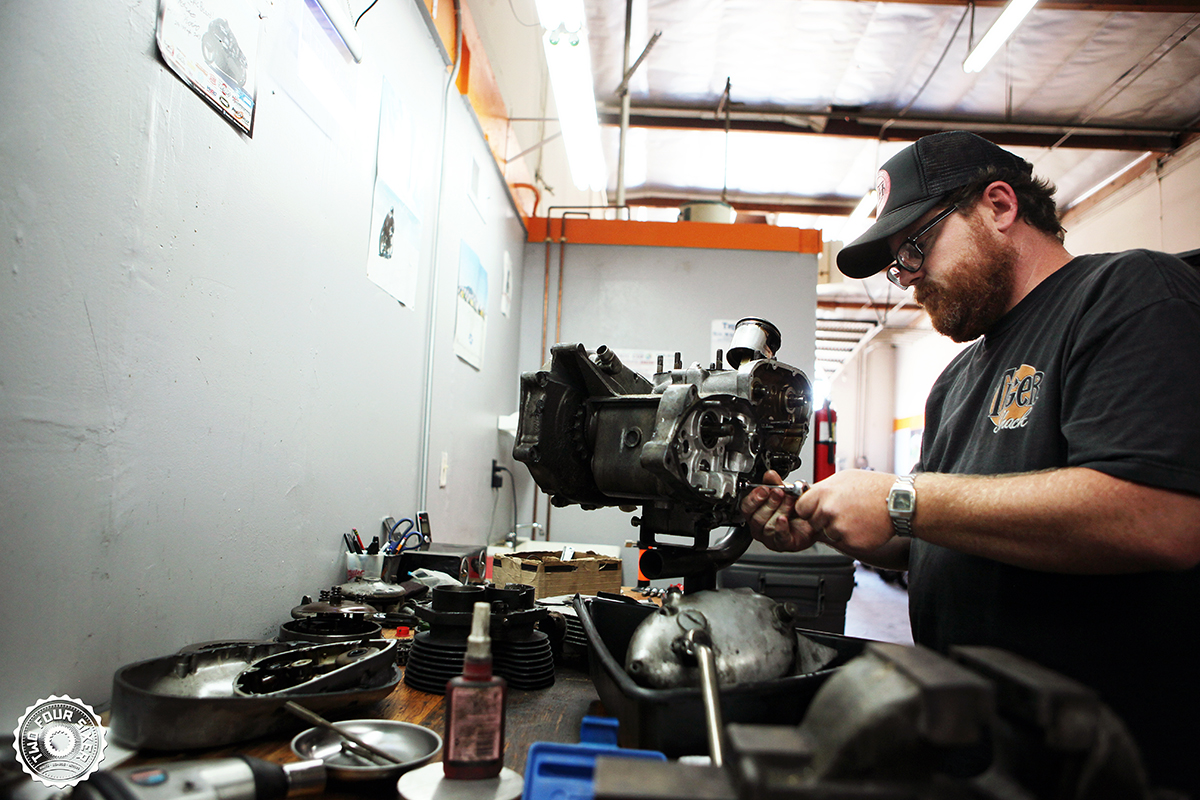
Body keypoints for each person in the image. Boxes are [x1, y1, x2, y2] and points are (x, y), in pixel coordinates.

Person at [741, 131, 1200, 795]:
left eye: (918, 246)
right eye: (900, 262)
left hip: (1105, 770)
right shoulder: (956, 380)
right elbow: (950, 536)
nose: (911, 274)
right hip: (973, 761)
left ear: (1000, 206)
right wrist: (840, 523)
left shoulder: (1128, 295)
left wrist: (903, 500)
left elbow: (1161, 515)